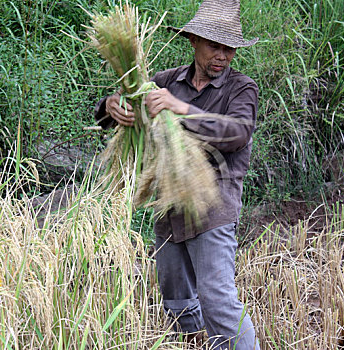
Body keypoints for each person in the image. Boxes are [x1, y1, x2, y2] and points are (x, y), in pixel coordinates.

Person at [94, 0, 260, 349]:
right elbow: (115, 114)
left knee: (219, 305)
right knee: (177, 303)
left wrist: (181, 108)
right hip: (170, 212)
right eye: (215, 45)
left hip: (213, 212)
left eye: (229, 48)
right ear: (193, 40)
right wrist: (112, 106)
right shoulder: (166, 82)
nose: (223, 55)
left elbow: (237, 133)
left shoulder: (241, 88)